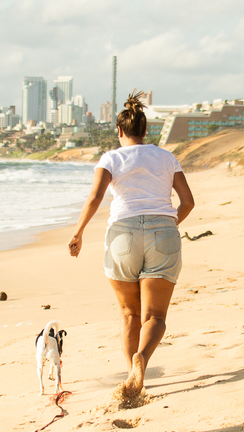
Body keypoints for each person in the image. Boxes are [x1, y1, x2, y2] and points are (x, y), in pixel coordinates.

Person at [68, 91, 195, 398]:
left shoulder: (111, 158)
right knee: (155, 317)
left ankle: (131, 375)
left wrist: (78, 233)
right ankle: (143, 359)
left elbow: (95, 197)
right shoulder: (166, 157)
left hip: (122, 236)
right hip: (163, 233)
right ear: (145, 130)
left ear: (119, 130)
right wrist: (167, 225)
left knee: (129, 314)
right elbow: (188, 202)